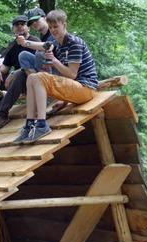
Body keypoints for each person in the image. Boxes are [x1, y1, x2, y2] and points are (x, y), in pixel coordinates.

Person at [14, 9, 98, 144]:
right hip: (74, 88)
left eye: (56, 26)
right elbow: (42, 45)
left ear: (64, 25)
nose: (53, 30)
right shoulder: (57, 43)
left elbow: (72, 74)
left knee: (39, 77)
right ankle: (30, 124)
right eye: (51, 27)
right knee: (31, 77)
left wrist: (54, 61)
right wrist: (25, 43)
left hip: (86, 89)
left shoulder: (74, 43)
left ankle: (41, 125)